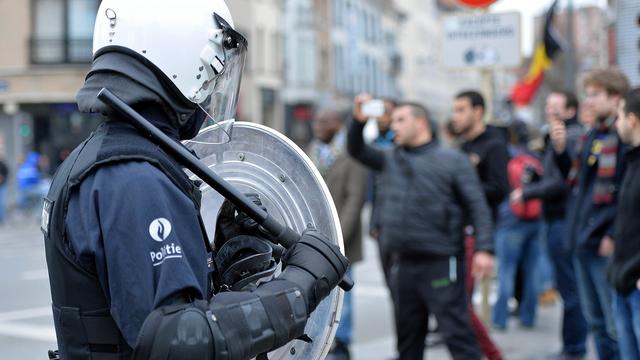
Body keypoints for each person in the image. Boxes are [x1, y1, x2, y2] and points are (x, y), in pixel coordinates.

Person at [42, 1, 349, 359]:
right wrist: (298, 288)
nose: (211, 86)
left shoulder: (100, 158)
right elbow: (175, 341)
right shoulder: (134, 178)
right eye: (213, 70)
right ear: (187, 56)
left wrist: (217, 260)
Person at [348, 94, 494, 360]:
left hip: (441, 262)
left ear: (421, 123)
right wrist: (357, 122)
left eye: (401, 120)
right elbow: (356, 150)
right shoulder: (390, 158)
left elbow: (478, 207)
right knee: (408, 343)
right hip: (402, 265)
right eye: (393, 121)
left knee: (458, 336)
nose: (394, 126)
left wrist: (485, 248)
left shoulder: (453, 160)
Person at [550, 68, 630, 360]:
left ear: (616, 97)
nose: (589, 101)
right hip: (582, 237)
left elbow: (626, 192)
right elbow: (575, 183)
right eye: (588, 94)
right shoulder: (592, 134)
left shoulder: (622, 136)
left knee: (613, 322)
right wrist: (560, 150)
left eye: (595, 95)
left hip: (603, 241)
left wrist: (611, 233)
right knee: (594, 319)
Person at [512, 90, 588, 359]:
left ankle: (574, 348)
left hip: (565, 221)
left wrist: (529, 192)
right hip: (557, 220)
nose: (548, 111)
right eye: (547, 105)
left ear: (569, 111)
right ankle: (573, 346)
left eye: (554, 107)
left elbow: (563, 180)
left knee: (572, 290)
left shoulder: (573, 136)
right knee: (569, 287)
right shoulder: (558, 137)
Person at [451, 90, 508, 360]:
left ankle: (492, 354)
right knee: (455, 302)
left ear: (477, 111)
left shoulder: (494, 145)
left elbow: (499, 189)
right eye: (454, 110)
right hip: (457, 231)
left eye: (461, 109)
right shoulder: (462, 147)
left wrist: (467, 186)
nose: (456, 116)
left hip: (477, 233)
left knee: (460, 303)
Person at [308, 109, 367, 360]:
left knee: (343, 291)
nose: (317, 125)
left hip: (342, 237)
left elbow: (355, 198)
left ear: (338, 124)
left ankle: (342, 340)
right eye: (316, 121)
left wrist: (339, 235)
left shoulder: (351, 153)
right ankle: (322, 336)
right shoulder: (314, 150)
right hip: (316, 235)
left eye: (323, 120)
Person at [492, 121, 543, 331]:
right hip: (535, 220)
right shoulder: (535, 156)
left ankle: (500, 319)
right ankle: (528, 317)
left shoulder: (504, 155)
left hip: (510, 220)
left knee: (506, 271)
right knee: (532, 272)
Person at [608, 88, 640, 360]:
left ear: (632, 119)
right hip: (623, 280)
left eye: (618, 117)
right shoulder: (632, 160)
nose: (615, 125)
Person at [367, 98, 396, 288]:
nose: (380, 117)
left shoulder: (402, 144)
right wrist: (373, 222)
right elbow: (375, 190)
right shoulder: (374, 142)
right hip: (381, 218)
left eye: (385, 112)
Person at [0, 157, 8, 224]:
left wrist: (2, 178)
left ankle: (1, 219)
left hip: (2, 186)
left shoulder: (2, 164)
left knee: (1, 203)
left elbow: (6, 173)